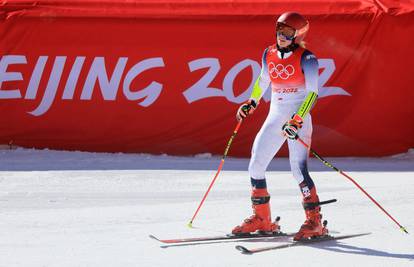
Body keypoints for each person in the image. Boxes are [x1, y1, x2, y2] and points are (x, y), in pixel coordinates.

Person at [232, 12, 328, 241]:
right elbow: (263, 80)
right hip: (275, 116)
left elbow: (313, 93)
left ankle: (314, 222)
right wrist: (252, 102)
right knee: (255, 165)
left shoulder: (308, 58)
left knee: (298, 170)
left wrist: (297, 119)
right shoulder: (268, 53)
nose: (281, 35)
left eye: (287, 32)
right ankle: (262, 219)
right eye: (279, 29)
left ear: (297, 35)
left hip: (298, 119)